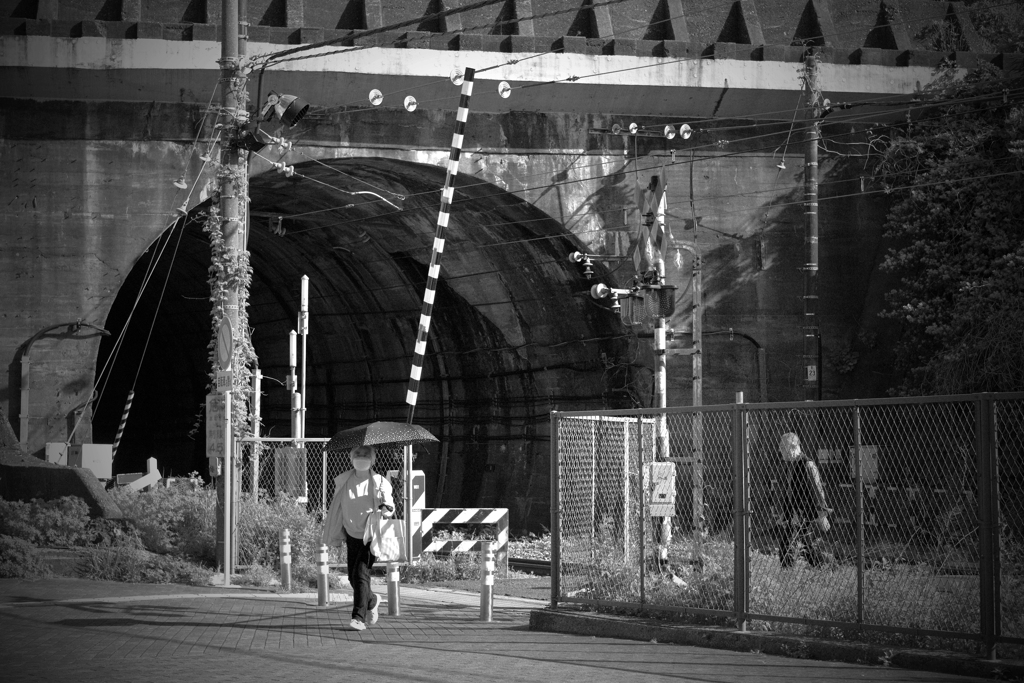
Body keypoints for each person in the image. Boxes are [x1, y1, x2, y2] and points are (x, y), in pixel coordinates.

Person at [322, 445, 395, 630]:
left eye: (365, 454)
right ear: (351, 457)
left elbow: (389, 505)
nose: (361, 457)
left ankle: (358, 618)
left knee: (362, 575)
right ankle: (372, 600)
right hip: (351, 534)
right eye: (358, 454)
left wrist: (386, 508)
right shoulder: (344, 480)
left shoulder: (379, 481)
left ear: (373, 459)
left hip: (371, 536)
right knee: (352, 579)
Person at [774, 432, 833, 568]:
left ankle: (824, 567)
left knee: (789, 545)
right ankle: (824, 568)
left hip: (805, 513)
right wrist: (785, 512)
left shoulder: (808, 465)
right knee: (806, 547)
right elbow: (791, 492)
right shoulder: (791, 465)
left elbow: (817, 491)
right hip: (795, 513)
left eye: (783, 447)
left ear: (794, 446)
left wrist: (822, 515)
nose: (780, 450)